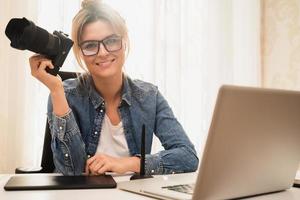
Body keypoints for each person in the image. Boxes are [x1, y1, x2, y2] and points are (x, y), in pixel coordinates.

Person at [29, 0, 198, 176]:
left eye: (111, 41)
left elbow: (188, 156)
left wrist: (128, 163)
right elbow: (72, 172)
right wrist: (57, 92)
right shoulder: (65, 94)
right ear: (80, 52)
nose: (102, 52)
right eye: (90, 45)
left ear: (124, 42)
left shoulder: (149, 96)